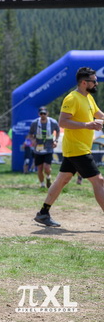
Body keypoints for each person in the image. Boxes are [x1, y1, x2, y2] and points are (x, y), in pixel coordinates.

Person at [33, 67, 104, 227]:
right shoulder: (72, 98)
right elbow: (63, 122)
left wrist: (95, 122)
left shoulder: (88, 98)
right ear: (84, 82)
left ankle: (43, 213)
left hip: (77, 148)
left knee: (62, 180)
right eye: (94, 81)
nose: (96, 83)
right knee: (99, 181)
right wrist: (87, 125)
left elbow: (100, 115)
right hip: (77, 148)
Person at [29, 107, 60, 188]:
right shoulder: (35, 123)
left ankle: (48, 177)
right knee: (39, 168)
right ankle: (42, 184)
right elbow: (30, 134)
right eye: (41, 113)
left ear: (47, 114)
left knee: (47, 167)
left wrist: (56, 141)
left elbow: (58, 130)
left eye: (44, 113)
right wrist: (33, 140)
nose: (43, 115)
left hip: (48, 148)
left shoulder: (53, 122)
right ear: (39, 114)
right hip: (38, 149)